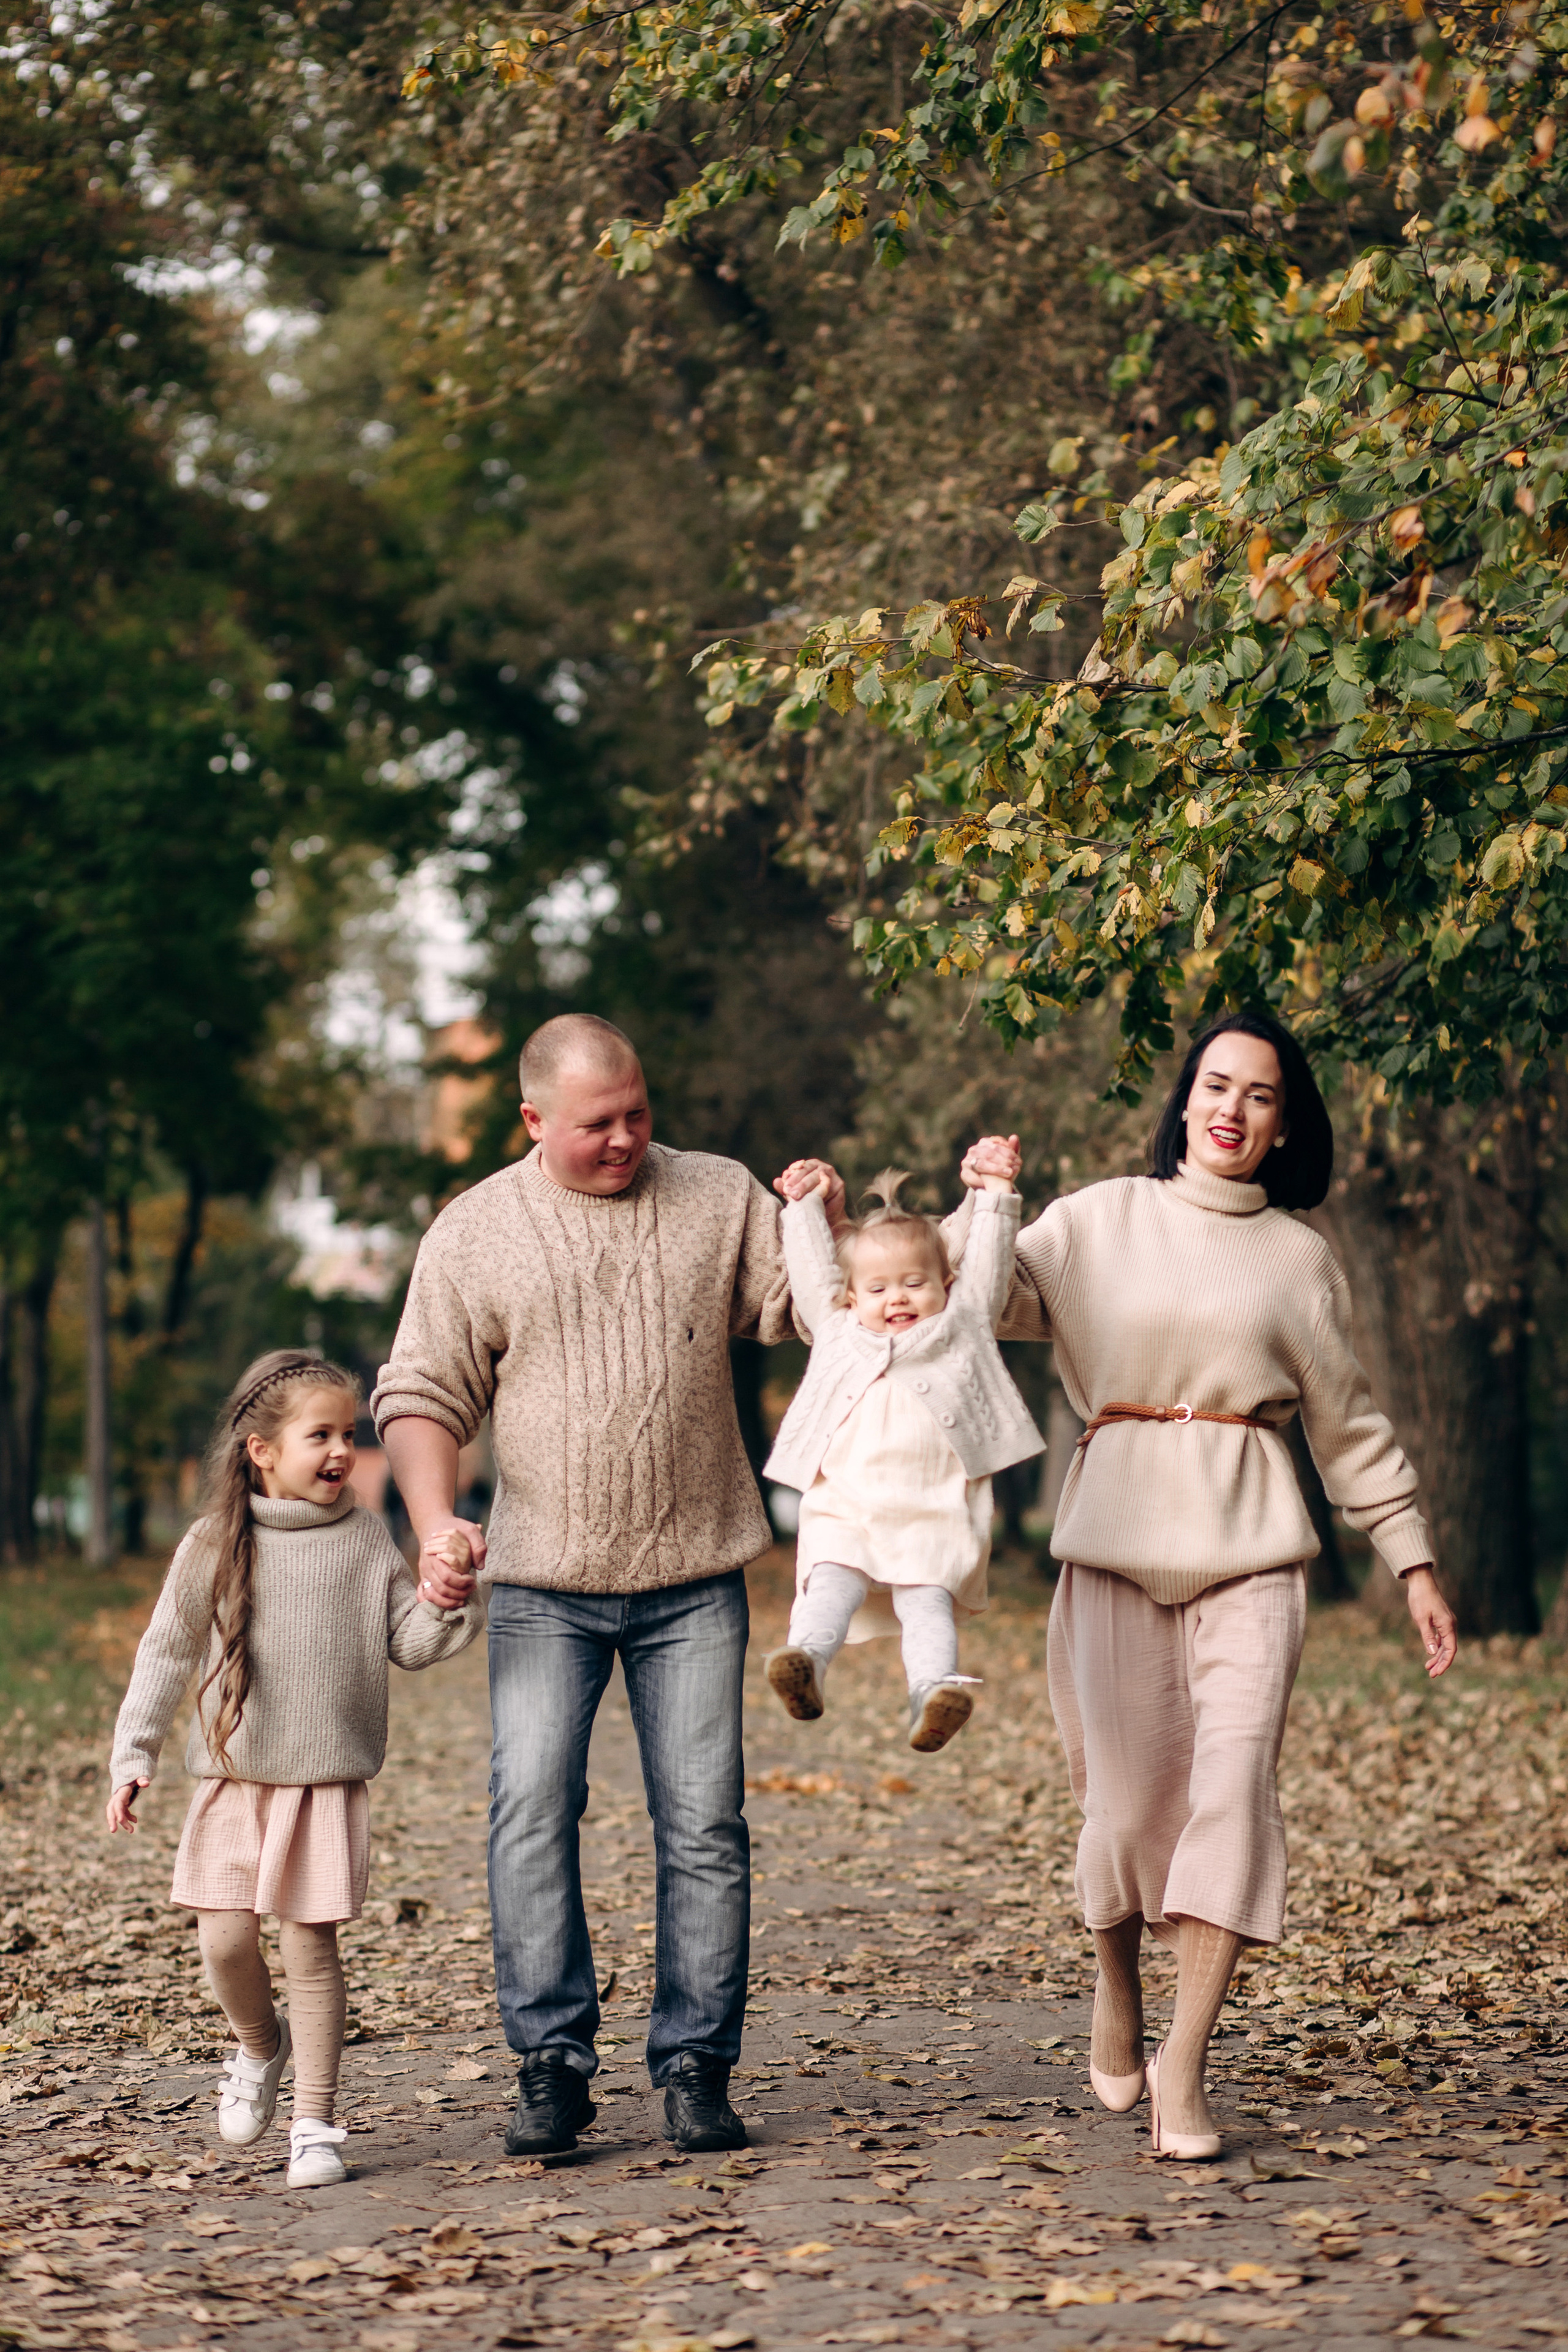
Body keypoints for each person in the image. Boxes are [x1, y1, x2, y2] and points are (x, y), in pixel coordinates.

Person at [961, 1009, 1457, 2160]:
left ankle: (1184, 2064)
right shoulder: (1096, 1221)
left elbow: (1351, 1425)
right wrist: (985, 1201)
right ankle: (1118, 1987)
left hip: (1253, 1554)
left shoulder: (1297, 1257)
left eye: (1261, 1096)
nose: (1232, 1109)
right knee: (1127, 1810)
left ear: (1285, 1125)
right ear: (1184, 1098)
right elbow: (976, 1304)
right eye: (1216, 1085)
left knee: (1232, 1794)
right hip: (1115, 1542)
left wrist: (1413, 1559)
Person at [374, 1013, 829, 2158]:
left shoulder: (720, 1196)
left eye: (638, 1113)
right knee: (531, 1812)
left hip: (693, 1574)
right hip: (540, 1583)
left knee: (705, 1823)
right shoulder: (476, 1231)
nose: (626, 1138)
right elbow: (423, 1391)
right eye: (596, 1124)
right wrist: (436, 1525)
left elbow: (818, 1308)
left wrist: (821, 1217)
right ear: (533, 1120)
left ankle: (696, 2064)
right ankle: (552, 2063)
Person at [105, 1350, 481, 2188]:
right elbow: (164, 1655)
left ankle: (315, 2123)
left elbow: (409, 1644)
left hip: (324, 1784)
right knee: (226, 1940)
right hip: (233, 1779)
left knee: (311, 1950)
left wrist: (450, 1591)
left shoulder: (365, 1538)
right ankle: (258, 2047)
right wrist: (135, 1756)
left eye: (350, 1434)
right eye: (321, 1435)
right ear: (262, 1450)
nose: (342, 1451)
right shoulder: (212, 1544)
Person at [762, 1163, 1043, 1751]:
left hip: (932, 1510)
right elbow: (814, 1272)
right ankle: (807, 1663)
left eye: (915, 1283)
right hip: (847, 1503)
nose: (898, 1298)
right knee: (830, 1585)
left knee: (928, 1606)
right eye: (879, 1287)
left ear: (946, 1282)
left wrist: (995, 1196)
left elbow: (989, 1272)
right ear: (852, 1296)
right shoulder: (838, 1332)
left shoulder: (961, 1326)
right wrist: (805, 1207)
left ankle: (934, 1693)